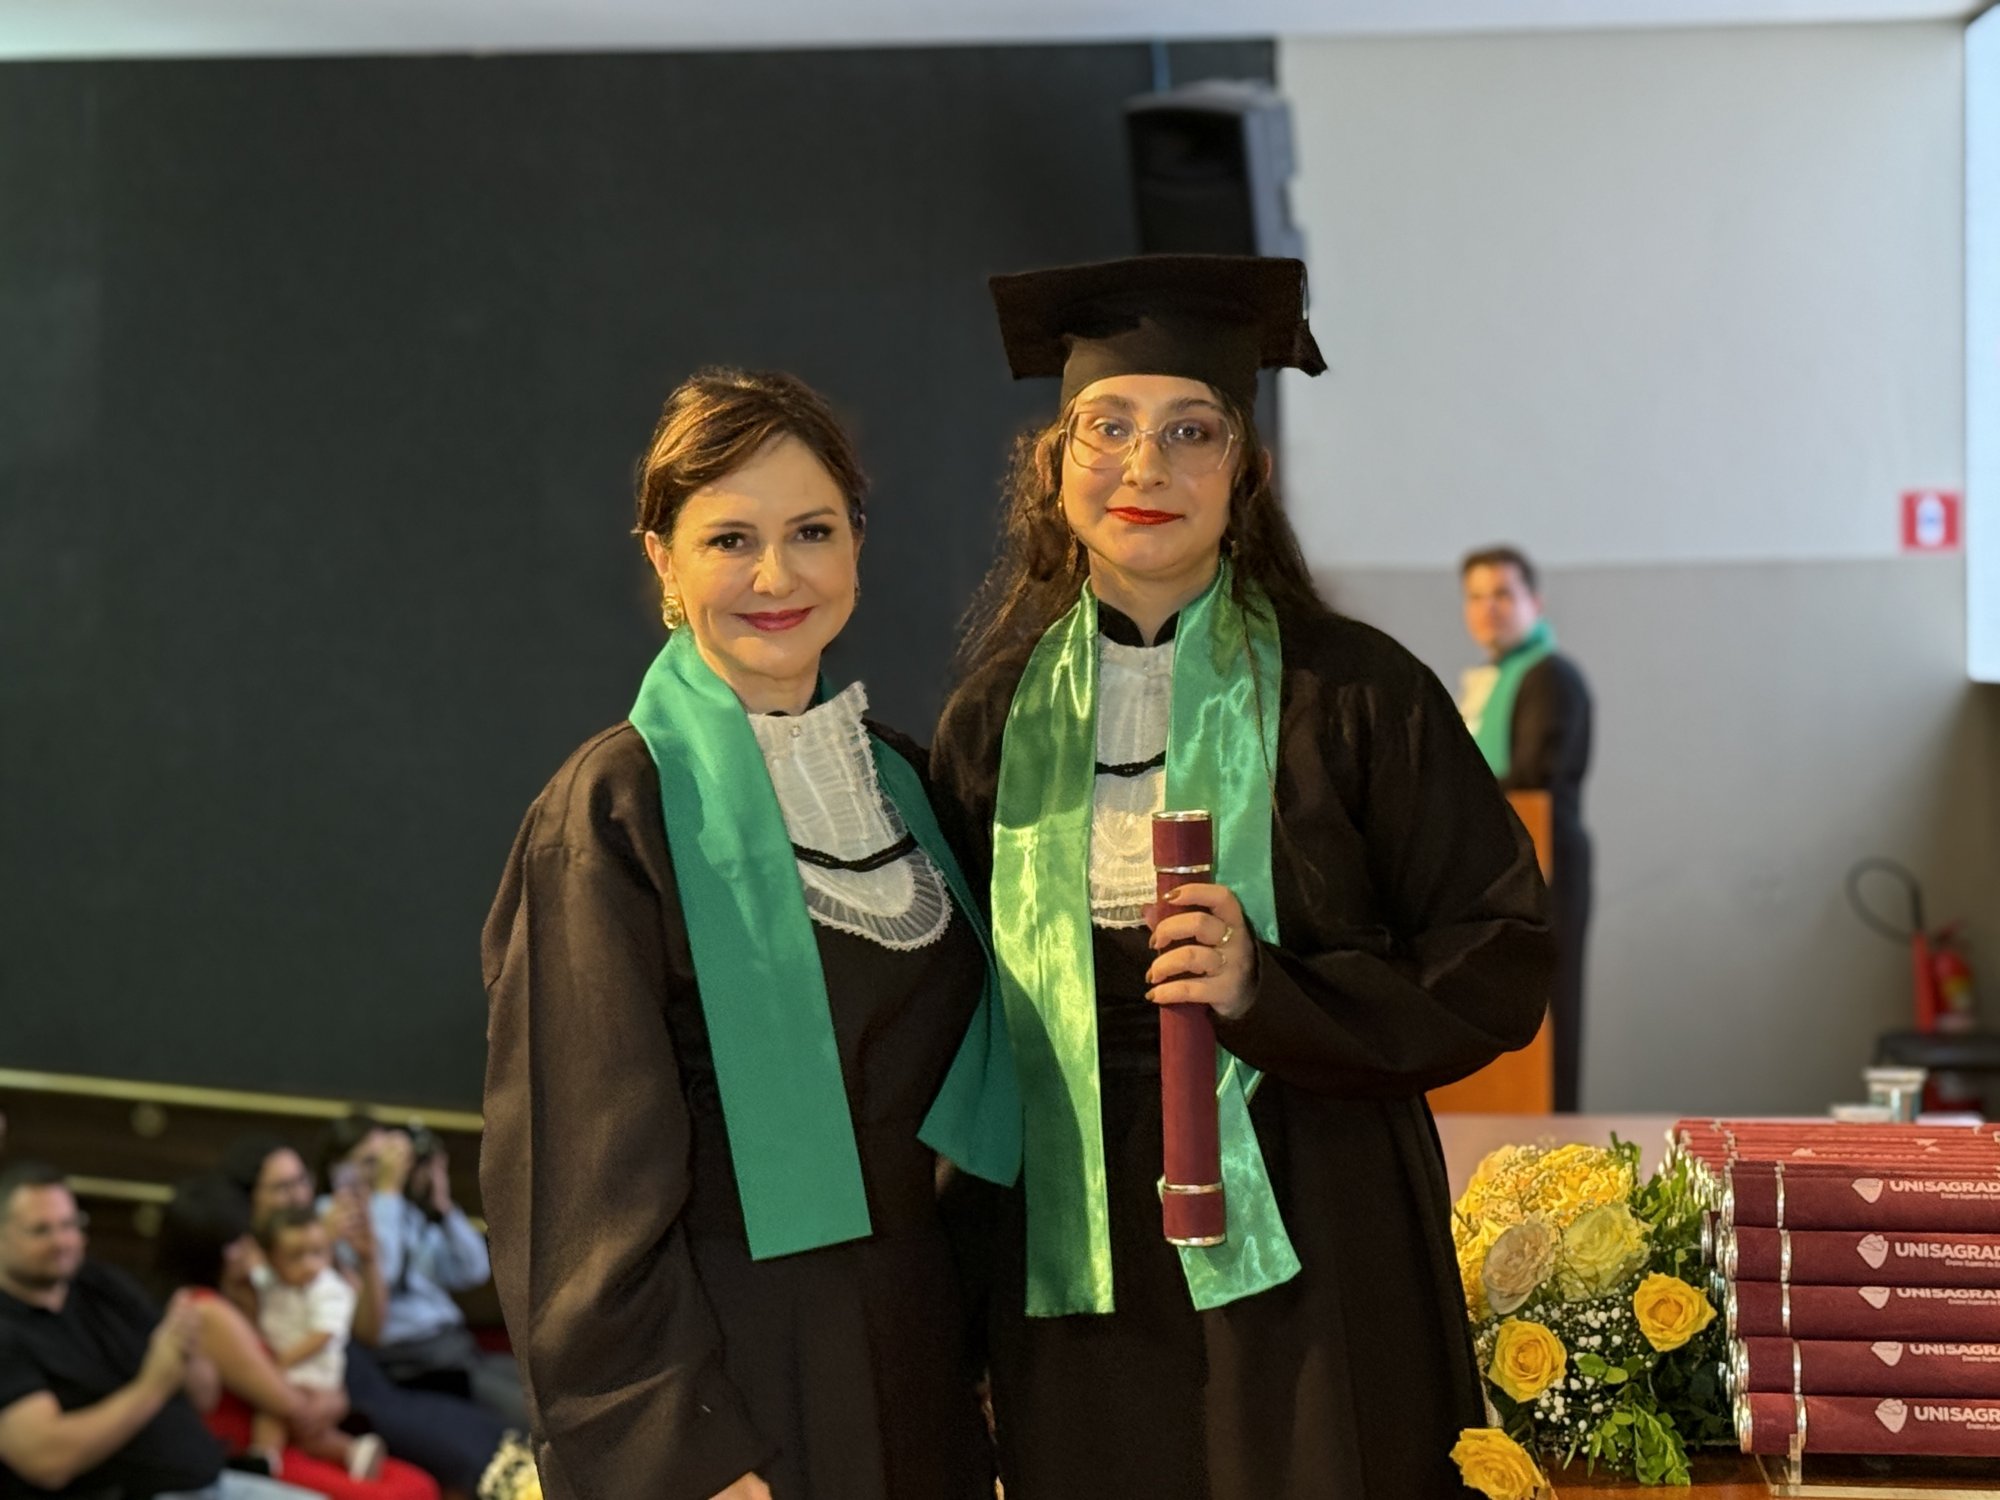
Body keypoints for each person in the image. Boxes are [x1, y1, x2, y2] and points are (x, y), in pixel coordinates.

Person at [930, 255, 1555, 1499]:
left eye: (1190, 431)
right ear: (1052, 468)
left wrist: (1271, 992)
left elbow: (1498, 953)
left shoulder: (1355, 694)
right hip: (1076, 1246)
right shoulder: (991, 722)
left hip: (1315, 1220)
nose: (1144, 468)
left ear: (1245, 473)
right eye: (1106, 428)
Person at [481, 368, 1017, 1500]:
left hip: (917, 1369)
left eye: (811, 531)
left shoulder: (908, 787)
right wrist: (688, 1456)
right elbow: (576, 1186)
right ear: (662, 563)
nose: (777, 576)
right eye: (730, 539)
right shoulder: (613, 811)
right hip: (733, 1390)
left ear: (857, 544)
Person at [0, 1160, 317, 1500]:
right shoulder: (8, 1331)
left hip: (210, 1478)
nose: (62, 1242)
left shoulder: (101, 1284)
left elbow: (204, 1397)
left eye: (69, 1225)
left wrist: (188, 1350)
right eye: (41, 1230)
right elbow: (46, 1462)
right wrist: (152, 1386)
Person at [217, 1136, 507, 1499]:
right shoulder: (246, 1262)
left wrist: (367, 1258)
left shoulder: (317, 1239)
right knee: (467, 1455)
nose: (298, 1195)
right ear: (249, 1198)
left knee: (489, 1432)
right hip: (323, 1388)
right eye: (282, 1187)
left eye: (301, 1181)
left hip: (361, 1375)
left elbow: (368, 1330)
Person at [150, 1177, 438, 1500]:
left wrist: (335, 1399)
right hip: (255, 1454)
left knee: (416, 1483)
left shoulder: (251, 1288)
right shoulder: (206, 1309)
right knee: (405, 1492)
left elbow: (362, 1328)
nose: (248, 1248)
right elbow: (287, 1403)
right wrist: (334, 1401)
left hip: (294, 1436)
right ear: (208, 1252)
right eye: (236, 1242)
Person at [1458, 544, 1594, 1111]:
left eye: (1503, 594)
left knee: (1547, 1007)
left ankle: (1554, 1128)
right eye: (1476, 597)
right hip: (1497, 871)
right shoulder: (1489, 681)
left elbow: (1536, 777)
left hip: (1545, 863)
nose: (1489, 608)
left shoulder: (1550, 677)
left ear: (1534, 602)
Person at [312, 1120, 524, 1431]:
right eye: (370, 1162)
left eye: (387, 1160)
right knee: (535, 1416)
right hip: (412, 1364)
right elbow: (383, 1274)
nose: (383, 1171)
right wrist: (387, 1193)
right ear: (337, 1169)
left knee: (549, 1387)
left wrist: (442, 1204)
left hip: (456, 1348)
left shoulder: (403, 1210)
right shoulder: (331, 1216)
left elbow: (473, 1270)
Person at [249, 1209, 382, 1480]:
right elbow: (251, 1274)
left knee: (272, 1413)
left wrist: (282, 1362)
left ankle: (263, 1458)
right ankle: (353, 1450)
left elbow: (325, 1333)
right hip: (293, 1373)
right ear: (272, 1259)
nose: (310, 1264)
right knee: (310, 1437)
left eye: (318, 1253)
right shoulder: (273, 1282)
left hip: (312, 1375)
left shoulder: (328, 1289)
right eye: (295, 1256)